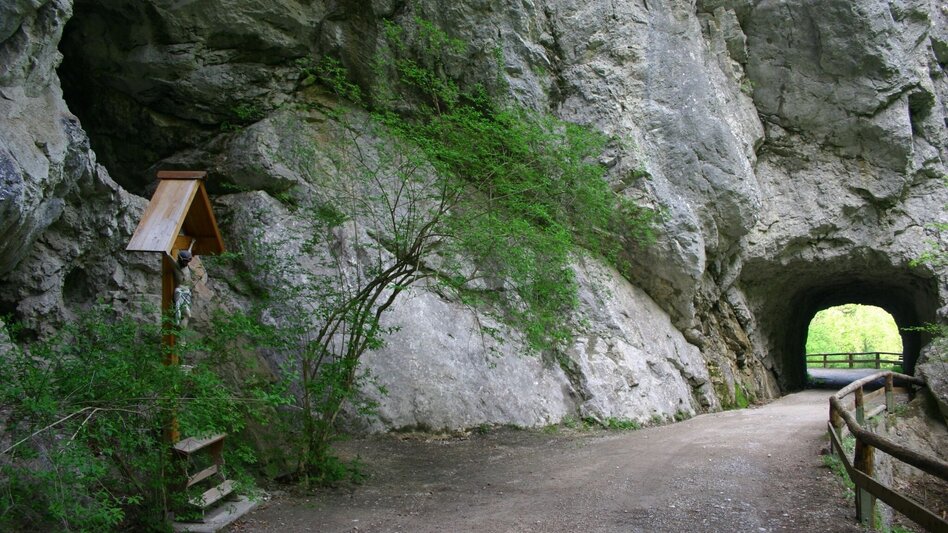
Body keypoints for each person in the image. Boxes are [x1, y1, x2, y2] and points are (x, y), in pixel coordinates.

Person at [171, 249, 195, 328]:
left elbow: (189, 250)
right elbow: (168, 256)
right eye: (185, 261)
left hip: (187, 291)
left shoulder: (186, 266)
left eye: (188, 261)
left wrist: (192, 243)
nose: (187, 263)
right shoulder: (176, 266)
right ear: (181, 260)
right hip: (180, 291)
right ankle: (178, 332)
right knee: (179, 314)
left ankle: (181, 333)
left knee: (188, 315)